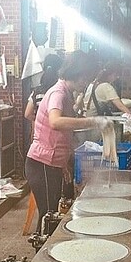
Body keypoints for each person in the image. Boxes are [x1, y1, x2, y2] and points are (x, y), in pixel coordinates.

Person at [26, 51, 109, 233]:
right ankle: (42, 255)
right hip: (42, 164)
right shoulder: (58, 93)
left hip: (52, 163)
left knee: (52, 212)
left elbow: (61, 136)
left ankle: (46, 250)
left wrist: (64, 164)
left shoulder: (66, 92)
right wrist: (94, 121)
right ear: (77, 74)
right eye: (86, 78)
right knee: (49, 215)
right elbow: (55, 122)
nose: (86, 83)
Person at [24, 53, 63, 122]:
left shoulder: (37, 91)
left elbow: (27, 114)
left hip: (39, 130)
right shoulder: (60, 91)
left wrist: (40, 120)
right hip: (56, 130)